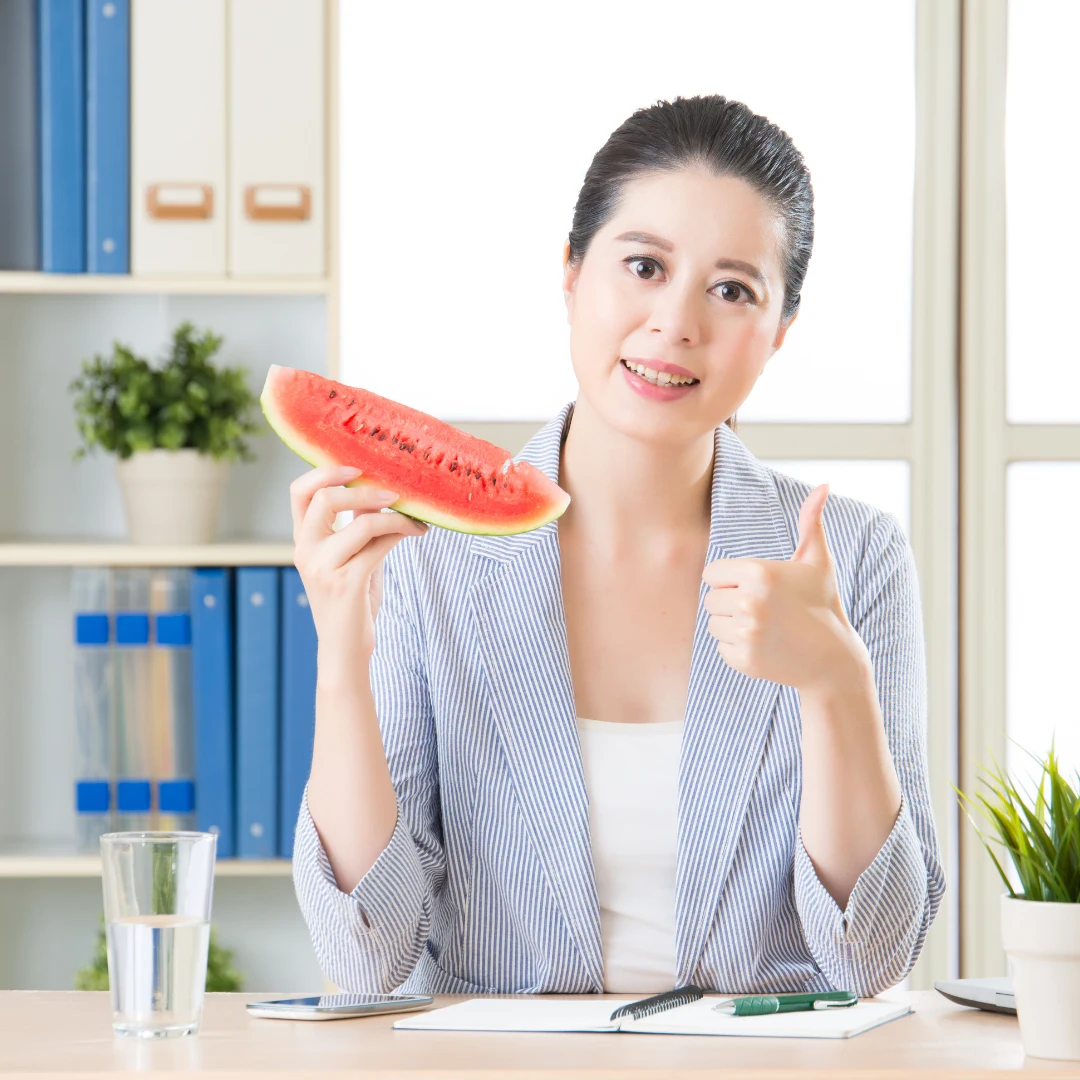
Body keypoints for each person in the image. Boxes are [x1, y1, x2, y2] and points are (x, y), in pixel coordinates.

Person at [290, 94, 945, 997]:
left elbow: (870, 960)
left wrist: (835, 683)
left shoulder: (855, 558)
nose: (675, 323)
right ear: (569, 274)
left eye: (731, 289)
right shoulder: (428, 559)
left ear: (779, 331)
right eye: (643, 265)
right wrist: (340, 653)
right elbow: (367, 958)